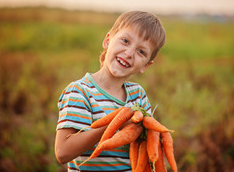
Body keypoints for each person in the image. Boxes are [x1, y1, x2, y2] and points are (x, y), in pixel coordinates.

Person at [54, 11, 166, 171]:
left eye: (141, 52)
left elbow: (146, 147)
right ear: (107, 41)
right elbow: (63, 152)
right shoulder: (80, 92)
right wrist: (114, 124)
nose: (128, 54)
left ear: (145, 66)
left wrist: (154, 137)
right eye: (125, 41)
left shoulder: (138, 95)